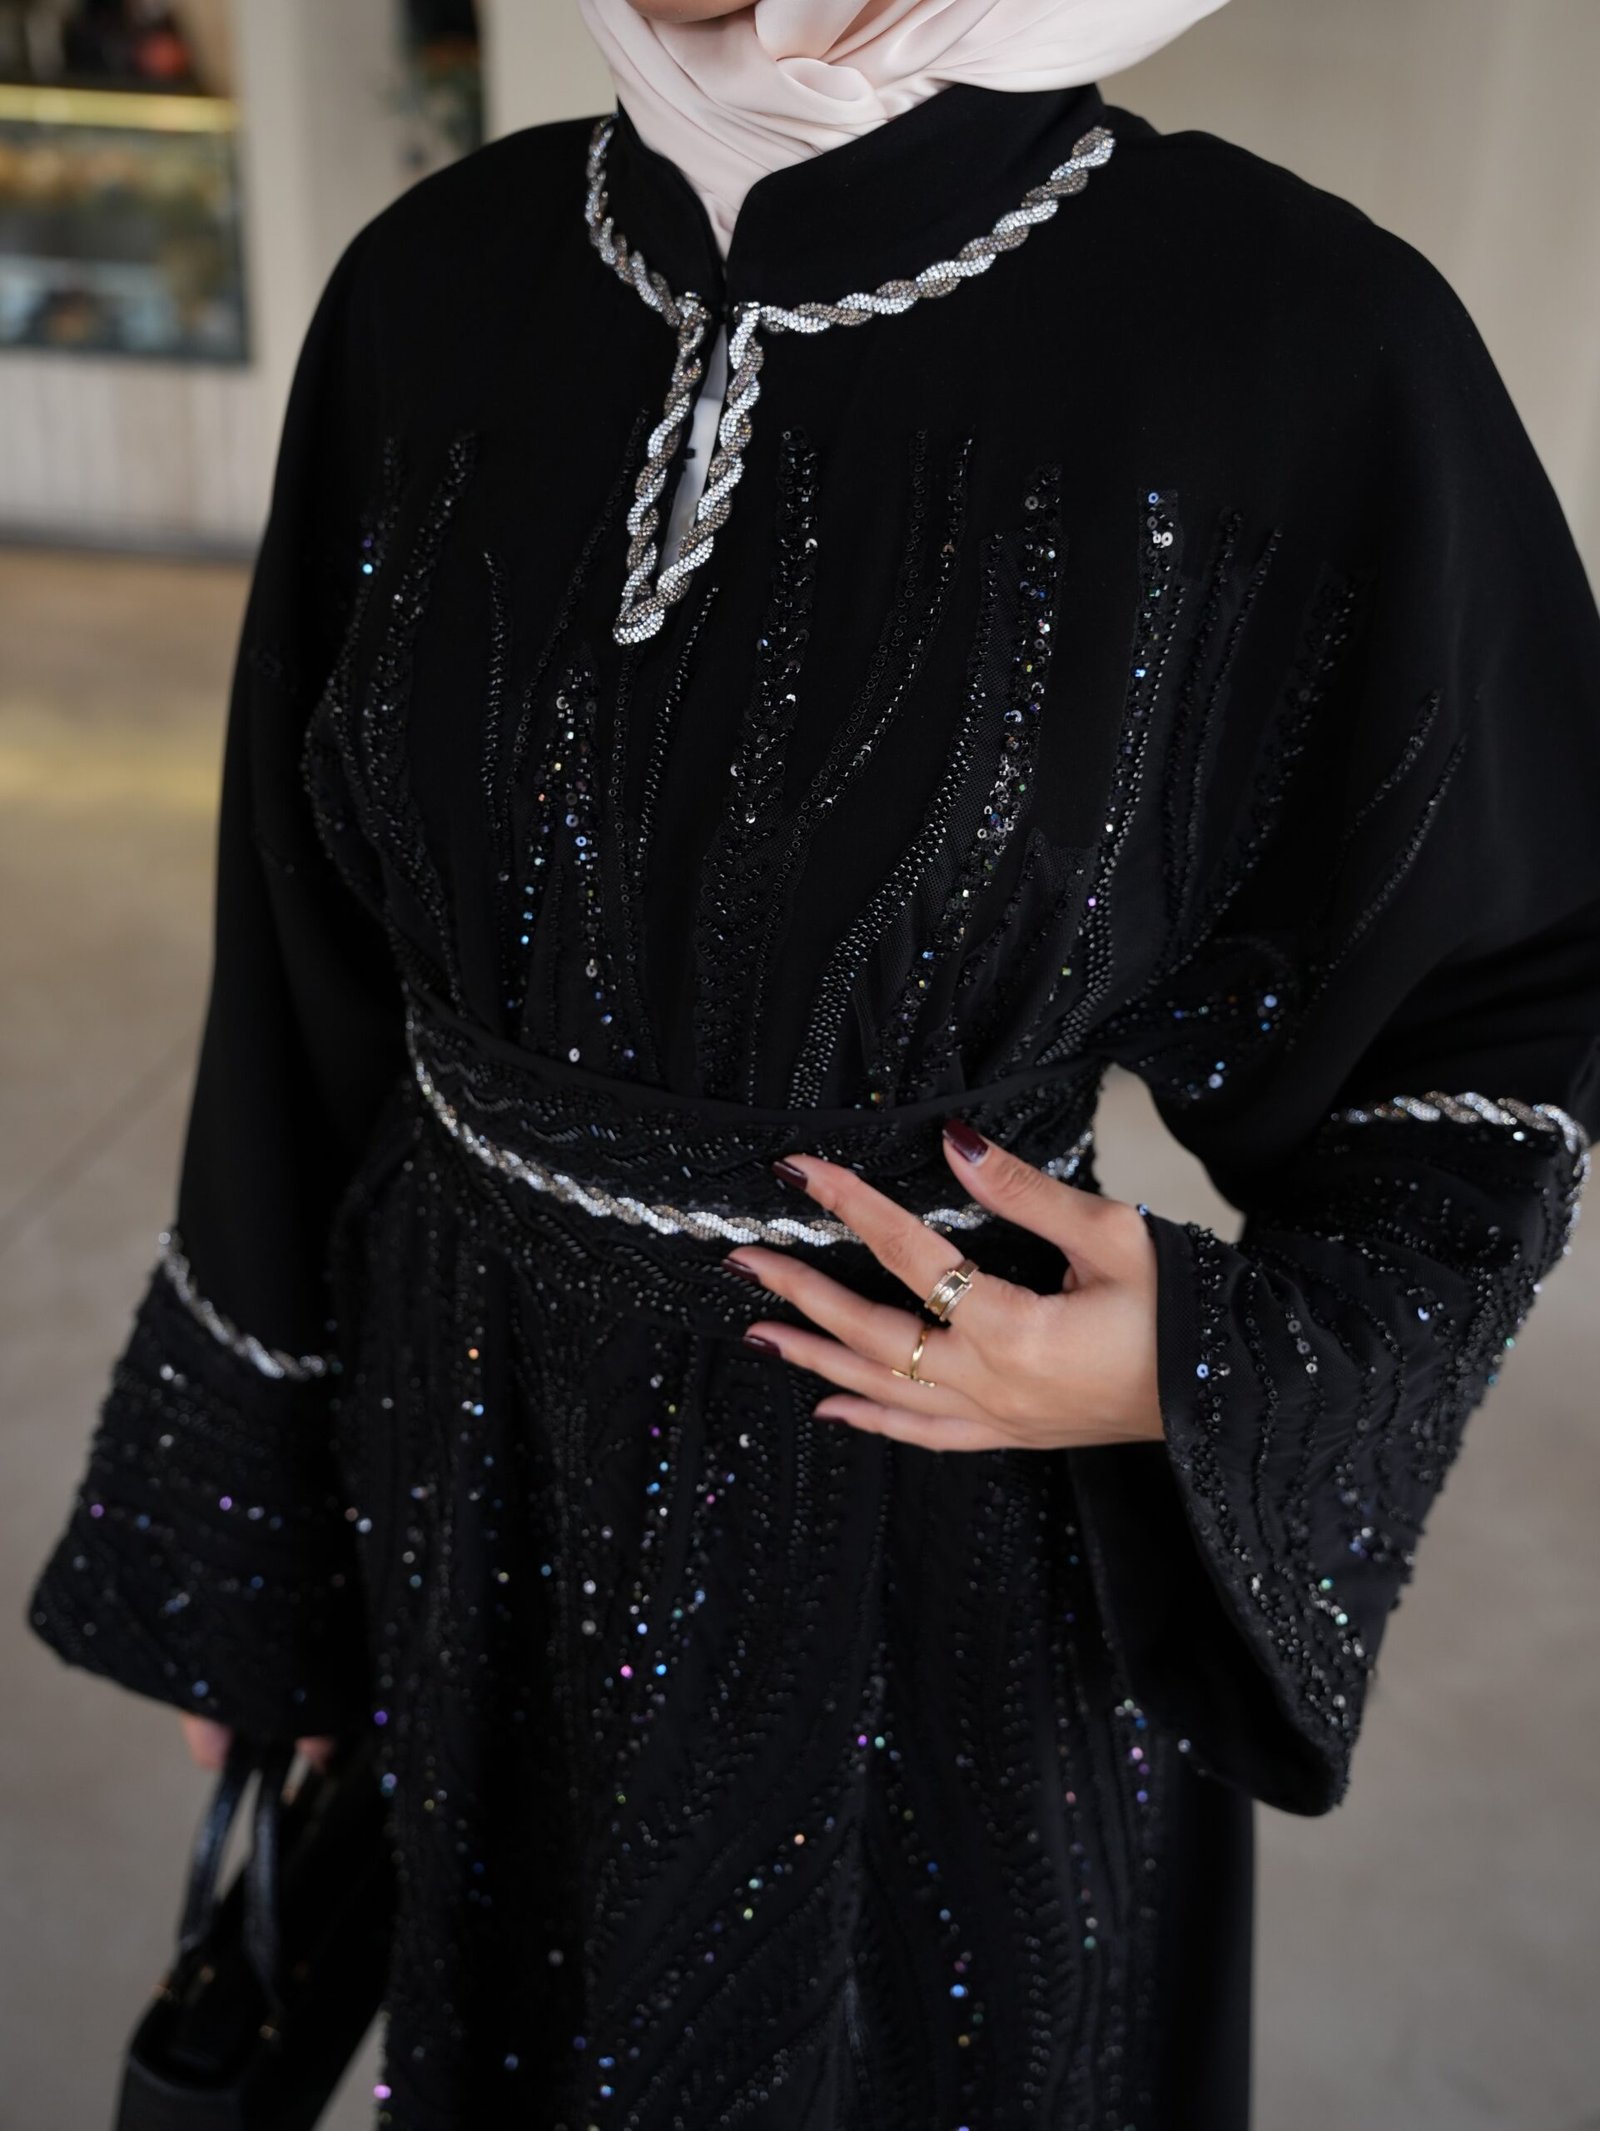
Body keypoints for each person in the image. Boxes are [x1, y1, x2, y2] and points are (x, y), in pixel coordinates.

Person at [26, 1, 1600, 2124]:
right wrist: (259, 1566)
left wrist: (1208, 1359)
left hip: (936, 1527)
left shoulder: (1294, 342)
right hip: (473, 1467)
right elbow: (303, 967)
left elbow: (1501, 986)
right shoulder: (431, 283)